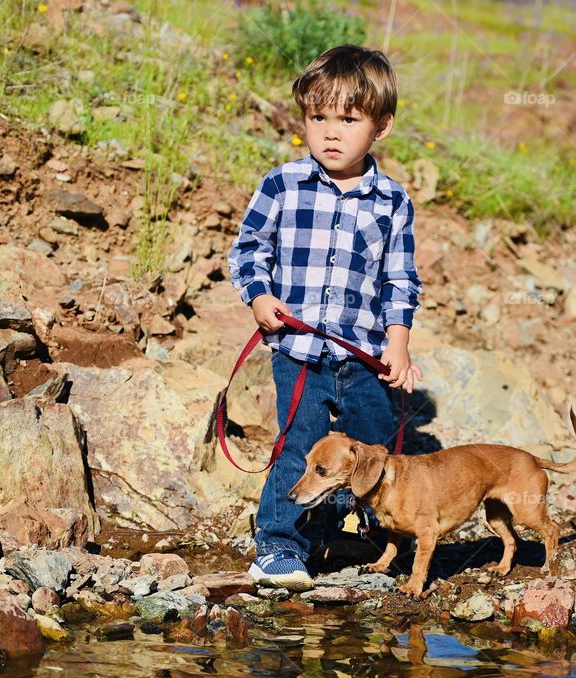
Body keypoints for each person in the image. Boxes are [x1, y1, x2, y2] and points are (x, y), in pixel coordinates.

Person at [228, 44, 422, 590]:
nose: (330, 132)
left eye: (348, 119)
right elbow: (248, 250)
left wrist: (399, 342)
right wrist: (260, 297)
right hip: (299, 351)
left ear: (380, 127)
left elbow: (399, 279)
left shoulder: (392, 201)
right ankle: (280, 545)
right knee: (300, 441)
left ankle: (337, 525)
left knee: (372, 443)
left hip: (361, 353)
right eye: (318, 118)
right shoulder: (283, 184)